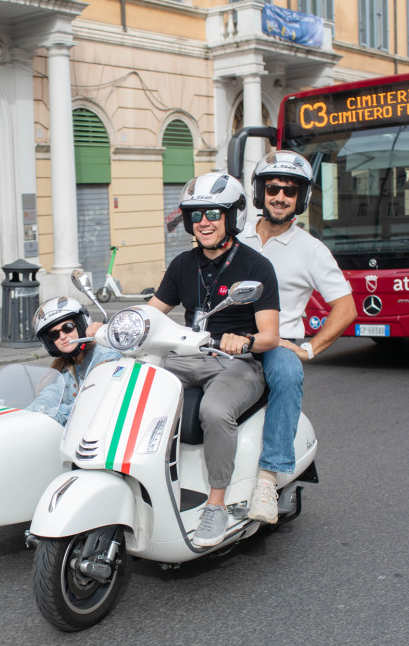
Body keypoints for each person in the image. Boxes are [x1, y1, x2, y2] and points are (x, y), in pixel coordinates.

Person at [147, 172, 281, 547]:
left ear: (232, 217)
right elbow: (154, 311)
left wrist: (246, 340)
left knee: (215, 410)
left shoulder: (255, 267)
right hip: (189, 355)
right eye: (196, 214)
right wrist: (115, 327)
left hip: (237, 363)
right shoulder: (182, 265)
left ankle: (216, 505)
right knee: (132, 383)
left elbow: (270, 335)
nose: (203, 221)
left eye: (212, 212)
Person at [239, 150, 356, 524]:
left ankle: (267, 479)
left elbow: (346, 307)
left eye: (290, 191)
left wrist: (308, 348)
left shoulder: (311, 250)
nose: (280, 196)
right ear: (260, 191)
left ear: (301, 199)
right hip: (226, 339)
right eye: (272, 187)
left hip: (277, 343)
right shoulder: (235, 236)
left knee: (288, 374)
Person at [28, 297, 120, 425]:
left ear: (81, 326)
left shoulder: (105, 357)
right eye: (54, 335)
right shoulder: (62, 367)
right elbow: (46, 398)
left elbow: (91, 404)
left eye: (68, 327)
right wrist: (26, 416)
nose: (62, 336)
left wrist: (53, 414)